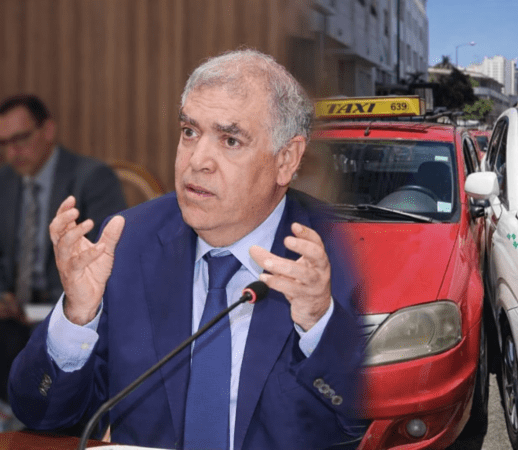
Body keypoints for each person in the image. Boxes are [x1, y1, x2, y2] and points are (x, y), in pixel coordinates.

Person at [9, 50, 364, 449]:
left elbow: (358, 429)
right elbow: (43, 415)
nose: (197, 161)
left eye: (230, 140)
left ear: (286, 159)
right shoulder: (128, 241)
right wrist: (77, 316)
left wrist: (319, 324)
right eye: (190, 132)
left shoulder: (339, 256)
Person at [0, 95, 127, 406]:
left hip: (67, 308)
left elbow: (105, 257)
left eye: (21, 138)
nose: (13, 151)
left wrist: (55, 307)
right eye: (4, 143)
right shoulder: (4, 181)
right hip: (12, 314)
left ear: (48, 130)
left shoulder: (92, 178)